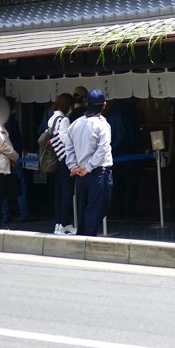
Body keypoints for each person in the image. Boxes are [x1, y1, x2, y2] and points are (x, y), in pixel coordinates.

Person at [70, 89, 113, 237]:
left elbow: (68, 147)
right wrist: (88, 168)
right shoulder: (102, 125)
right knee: (96, 209)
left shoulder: (75, 124)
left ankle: (82, 239)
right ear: (104, 105)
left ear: (86, 104)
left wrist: (73, 166)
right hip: (97, 172)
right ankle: (89, 240)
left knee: (83, 210)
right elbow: (103, 149)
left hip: (80, 174)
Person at [46, 94, 78, 235]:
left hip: (56, 159)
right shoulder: (64, 120)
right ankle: (65, 224)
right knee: (67, 193)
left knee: (59, 193)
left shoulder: (52, 118)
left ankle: (59, 223)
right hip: (65, 159)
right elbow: (64, 138)